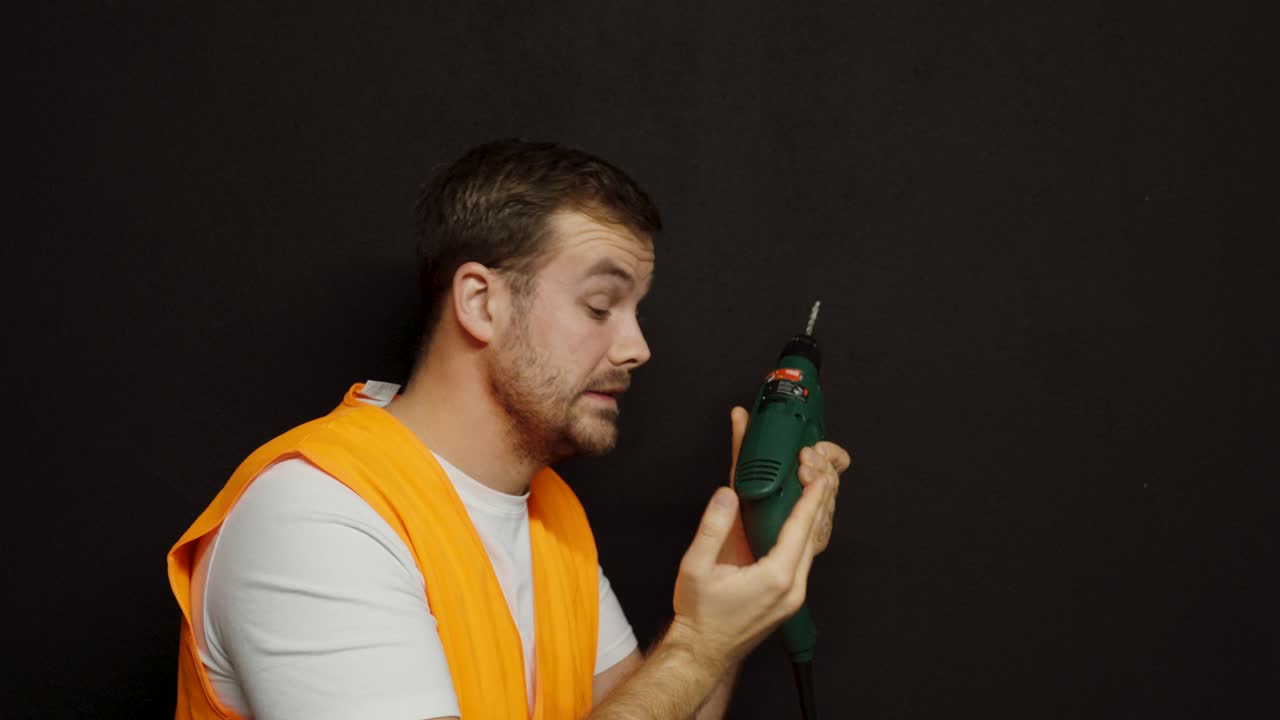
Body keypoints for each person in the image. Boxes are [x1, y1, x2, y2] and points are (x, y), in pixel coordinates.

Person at [166, 140, 850, 720]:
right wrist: (698, 641)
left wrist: (736, 577)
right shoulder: (316, 519)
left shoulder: (551, 519)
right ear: (481, 302)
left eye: (635, 310)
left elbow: (654, 703)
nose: (637, 347)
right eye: (601, 305)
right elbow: (677, 674)